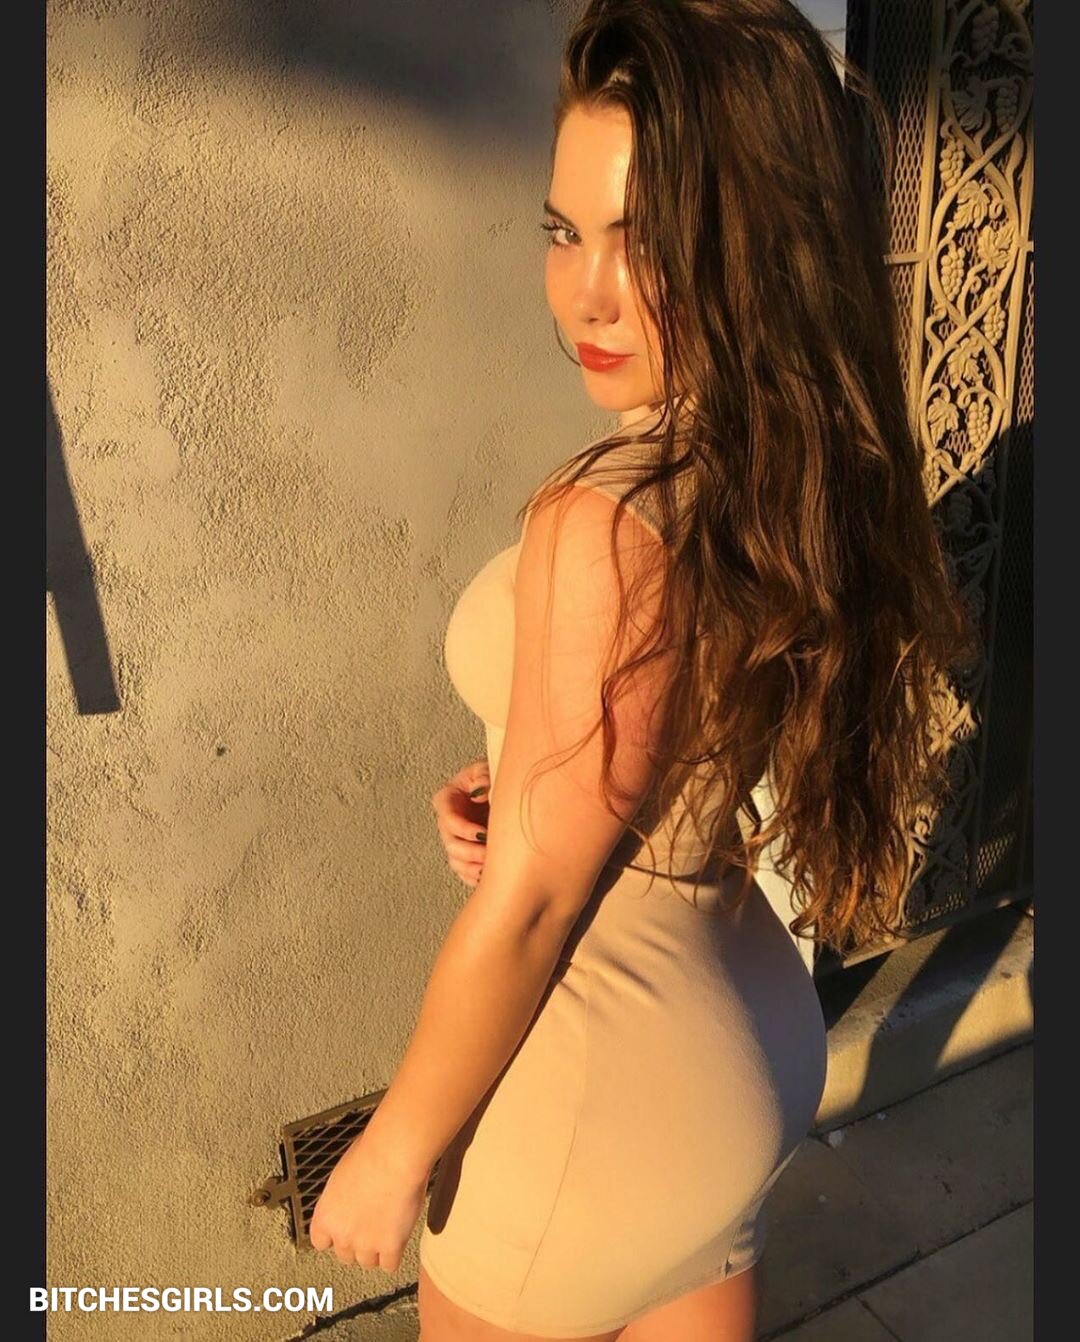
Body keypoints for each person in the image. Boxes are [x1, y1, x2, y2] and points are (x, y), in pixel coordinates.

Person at [308, 2, 977, 1338]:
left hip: (592, 1091)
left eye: (649, 238)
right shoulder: (784, 453)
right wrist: (524, 762)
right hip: (741, 1047)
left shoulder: (610, 514)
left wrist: (393, 1147)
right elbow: (687, 740)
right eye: (565, 231)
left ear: (758, 241)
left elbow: (534, 905)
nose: (589, 293)